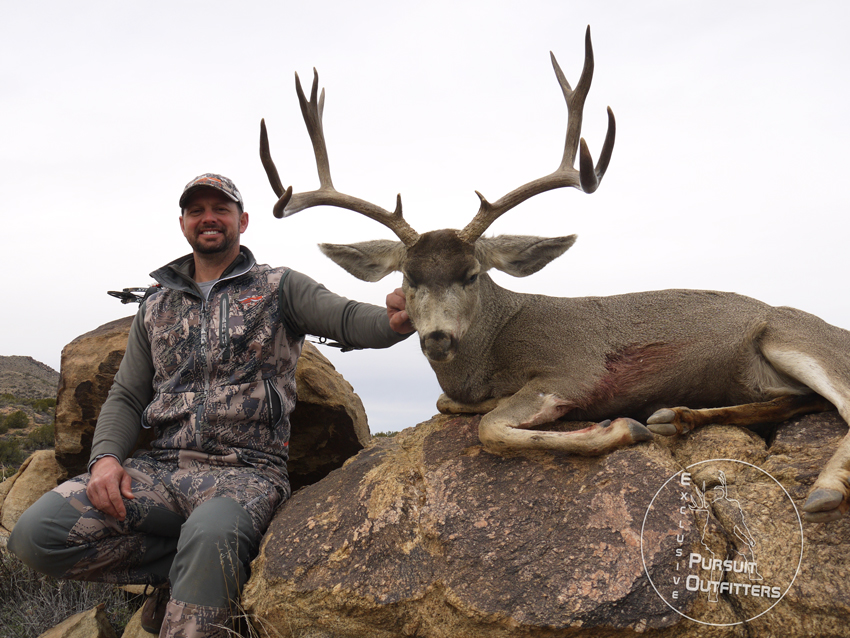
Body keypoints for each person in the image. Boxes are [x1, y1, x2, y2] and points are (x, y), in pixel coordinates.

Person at [8, 173, 413, 638]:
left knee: (211, 535)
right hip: (158, 470)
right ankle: (186, 574)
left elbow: (347, 319)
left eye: (220, 209)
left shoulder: (280, 287)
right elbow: (126, 395)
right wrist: (105, 460)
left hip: (246, 473)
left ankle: (201, 585)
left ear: (242, 220)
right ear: (182, 223)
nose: (209, 218)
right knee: (37, 535)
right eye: (197, 210)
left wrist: (396, 318)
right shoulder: (156, 305)